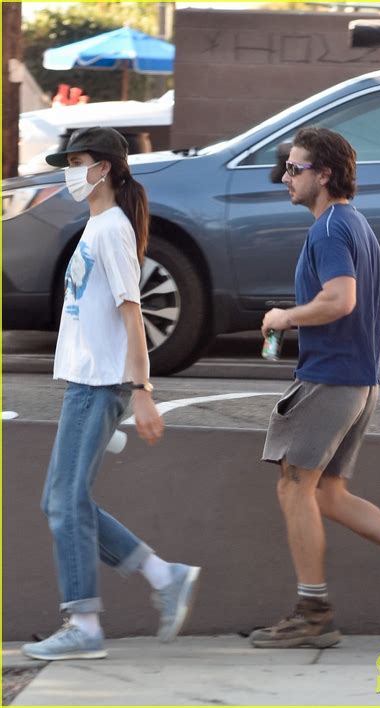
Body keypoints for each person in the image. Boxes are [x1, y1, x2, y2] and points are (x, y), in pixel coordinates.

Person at [250, 127, 380, 649]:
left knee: (294, 488)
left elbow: (340, 300)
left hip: (330, 377)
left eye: (295, 169)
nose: (285, 178)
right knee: (328, 493)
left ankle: (313, 613)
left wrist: (284, 317)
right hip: (360, 380)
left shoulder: (328, 230)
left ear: (324, 174)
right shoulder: (355, 224)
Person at [22, 127, 201, 662]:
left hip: (101, 384)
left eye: (76, 161)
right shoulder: (98, 226)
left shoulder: (113, 231)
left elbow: (133, 313)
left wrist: (142, 390)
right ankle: (162, 574)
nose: (69, 172)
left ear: (105, 168)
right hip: (88, 381)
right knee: (62, 501)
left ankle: (84, 623)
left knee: (65, 502)